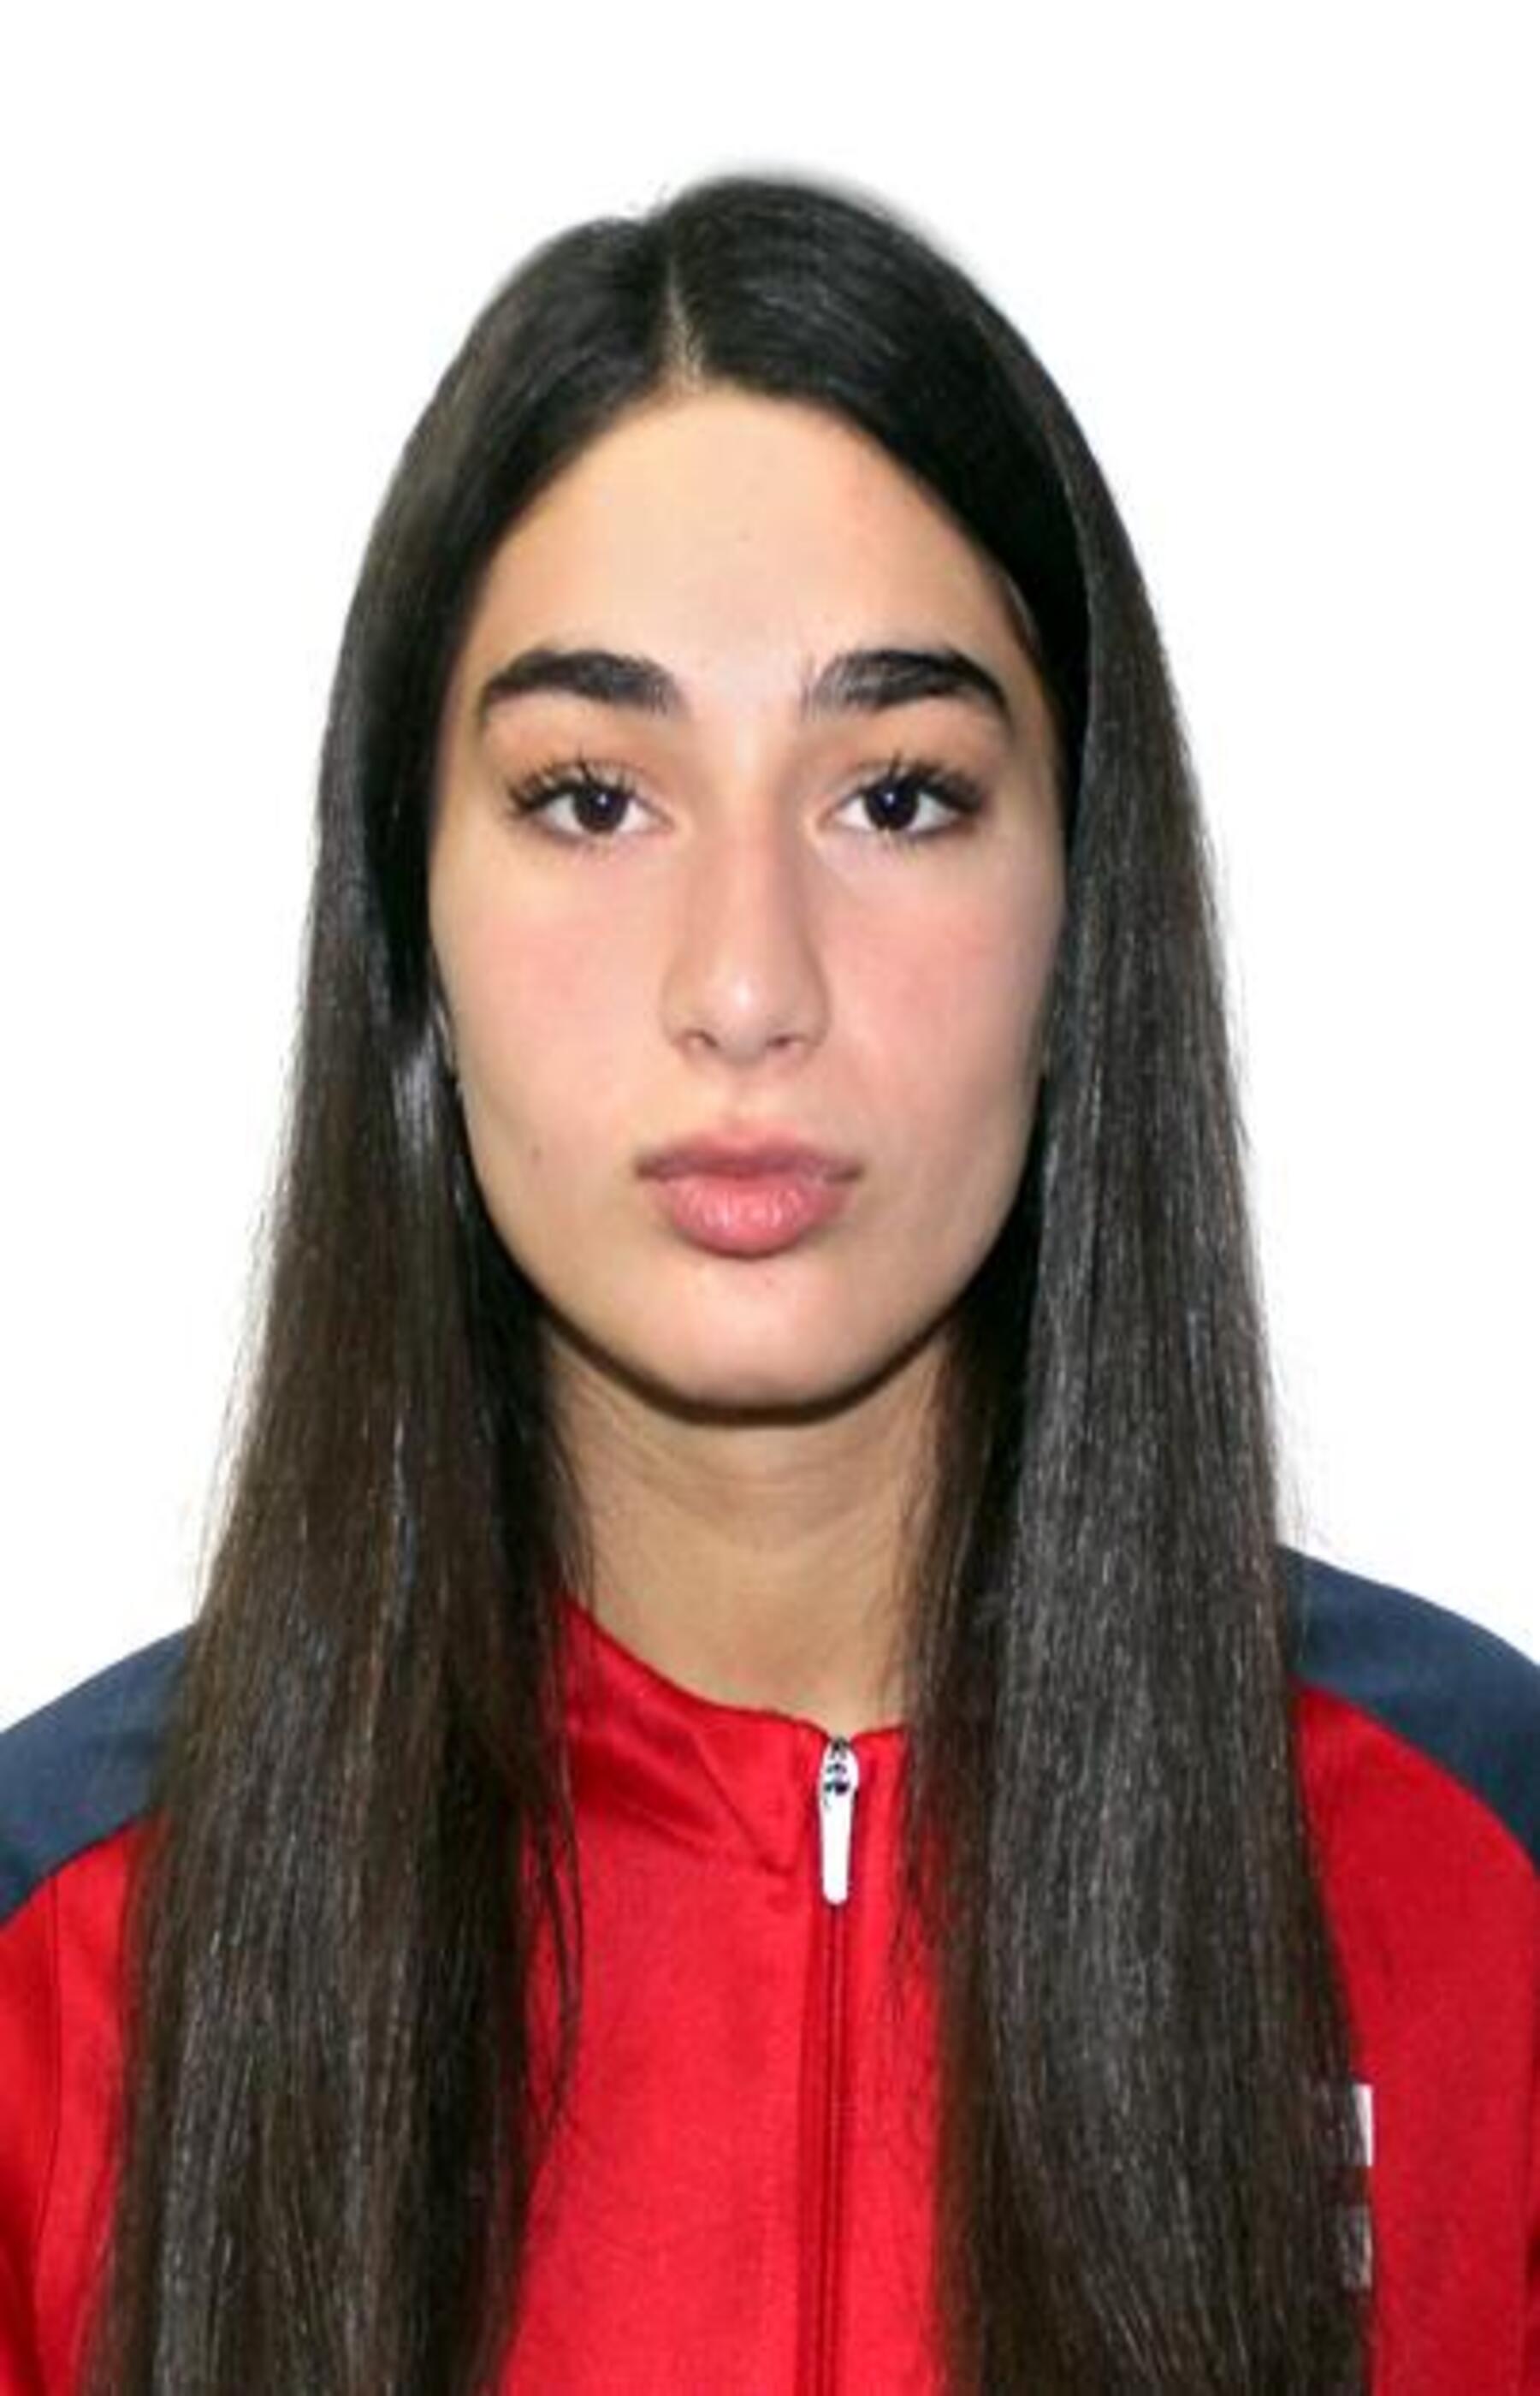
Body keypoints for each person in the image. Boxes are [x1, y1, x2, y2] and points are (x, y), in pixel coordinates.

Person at [0, 168, 1535, 2396]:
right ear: (409, 928)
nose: (744, 985)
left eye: (896, 797)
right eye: (591, 797)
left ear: (1082, 917)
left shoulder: (1489, 1888)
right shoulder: (57, 1961)